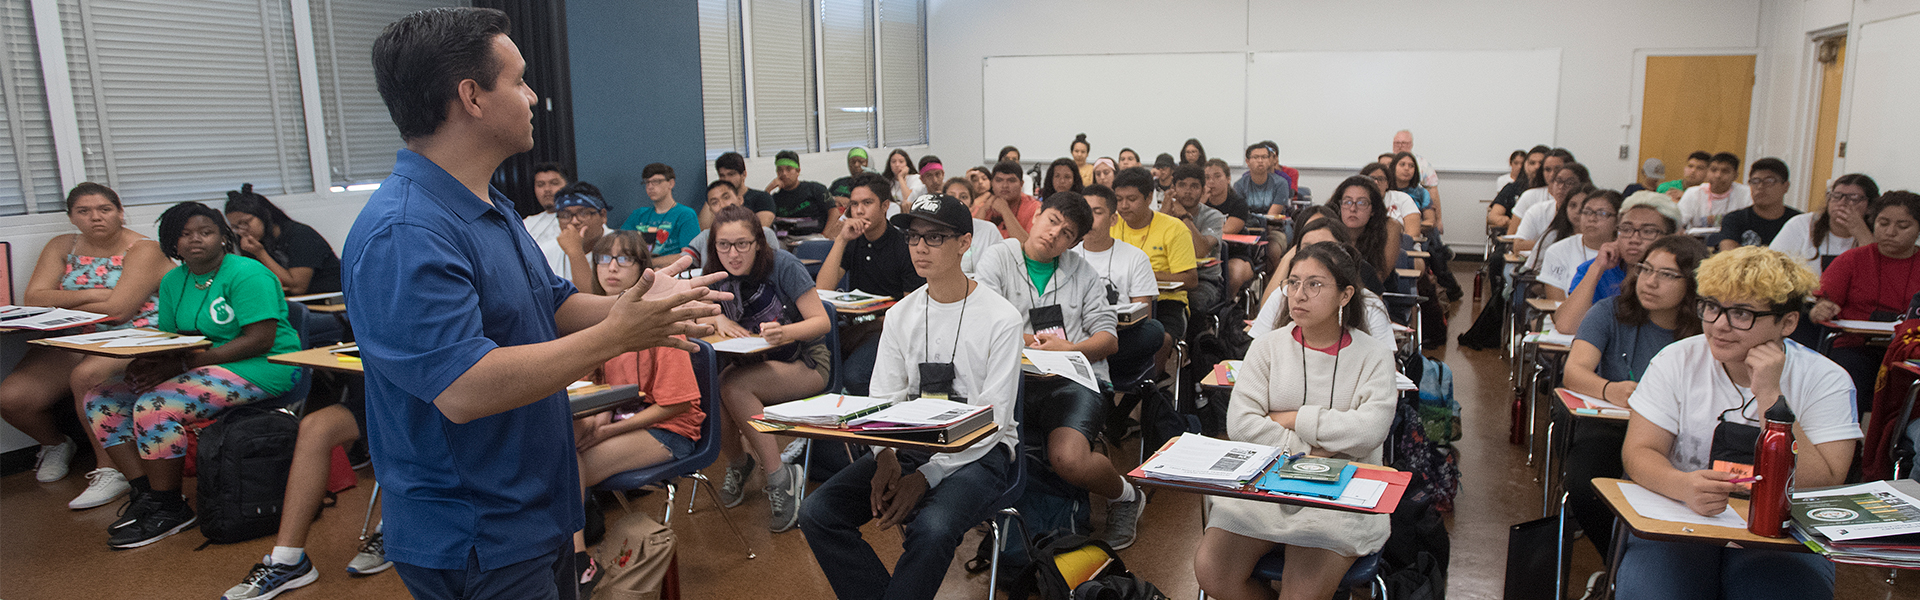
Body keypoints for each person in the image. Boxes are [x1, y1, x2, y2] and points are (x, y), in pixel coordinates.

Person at [346, 9, 731, 597]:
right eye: (519, 80)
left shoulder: (488, 203)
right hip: (476, 525)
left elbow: (553, 305)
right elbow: (465, 387)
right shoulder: (406, 231)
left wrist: (649, 300)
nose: (532, 95)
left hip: (536, 502)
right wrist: (618, 335)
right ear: (471, 96)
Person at [797, 193, 1023, 600]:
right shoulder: (903, 312)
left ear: (964, 243)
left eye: (934, 238)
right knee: (818, 512)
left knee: (933, 528)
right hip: (908, 443)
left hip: (980, 453)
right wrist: (883, 456)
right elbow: (883, 397)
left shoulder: (1001, 318)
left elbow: (993, 419)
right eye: (913, 237)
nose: (920, 247)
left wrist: (925, 476)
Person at [1616, 246, 1857, 600]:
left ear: (1787, 322)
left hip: (1781, 533)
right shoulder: (1677, 360)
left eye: (1741, 313)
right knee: (1657, 591)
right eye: (1711, 307)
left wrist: (1770, 396)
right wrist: (1681, 484)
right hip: (1682, 519)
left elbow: (1824, 480)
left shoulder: (1826, 379)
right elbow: (1639, 451)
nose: (1719, 325)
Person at [84, 201, 302, 549]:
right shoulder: (173, 280)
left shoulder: (248, 273)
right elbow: (173, 341)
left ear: (222, 236)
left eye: (206, 231)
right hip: (204, 365)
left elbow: (260, 339)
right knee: (101, 399)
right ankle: (148, 495)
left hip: (268, 365)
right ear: (171, 241)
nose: (195, 240)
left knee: (156, 405)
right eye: (185, 234)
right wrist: (146, 365)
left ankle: (172, 508)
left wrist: (184, 366)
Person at [1193, 241, 1398, 600]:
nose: (1299, 295)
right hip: (1266, 486)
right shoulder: (1267, 346)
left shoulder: (1374, 355)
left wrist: (1293, 418)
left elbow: (1369, 430)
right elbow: (1242, 424)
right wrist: (1312, 450)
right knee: (1212, 571)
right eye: (1293, 283)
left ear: (1345, 294)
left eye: (1314, 284)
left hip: (1338, 495)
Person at [973, 191, 1147, 549]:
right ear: (1036, 215)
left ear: (1075, 242)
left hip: (1074, 379)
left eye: (1066, 233)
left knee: (1068, 459)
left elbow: (1107, 338)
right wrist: (1025, 340)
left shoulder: (1083, 272)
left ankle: (1127, 495)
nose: (1054, 234)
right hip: (1012, 379)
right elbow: (982, 321)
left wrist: (1072, 347)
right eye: (1052, 221)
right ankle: (1001, 510)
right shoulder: (999, 258)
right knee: (979, 443)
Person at [0, 182, 164, 509]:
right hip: (74, 336)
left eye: (104, 210)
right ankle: (56, 444)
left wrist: (65, 303)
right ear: (72, 217)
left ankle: (110, 469)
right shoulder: (63, 245)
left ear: (120, 212)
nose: (95, 218)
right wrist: (95, 295)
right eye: (84, 212)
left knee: (86, 377)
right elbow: (35, 298)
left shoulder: (145, 249)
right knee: (12, 398)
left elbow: (119, 310)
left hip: (132, 334)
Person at [566, 229, 707, 589]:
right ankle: (566, 552)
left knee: (566, 465)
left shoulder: (659, 321)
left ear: (643, 269)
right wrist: (596, 417)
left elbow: (676, 404)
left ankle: (577, 562)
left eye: (624, 259)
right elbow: (593, 385)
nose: (611, 268)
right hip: (620, 418)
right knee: (558, 444)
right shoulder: (598, 320)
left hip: (670, 429)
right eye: (604, 259)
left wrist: (607, 428)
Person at [1558, 234, 1708, 561]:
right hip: (1613, 424)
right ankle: (1616, 565)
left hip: (1683, 435)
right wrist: (1610, 389)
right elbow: (1574, 371)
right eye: (1645, 269)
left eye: (1667, 275)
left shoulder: (1707, 328)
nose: (1650, 282)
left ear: (1693, 283)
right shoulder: (1609, 311)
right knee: (1586, 487)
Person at [697, 206, 835, 532]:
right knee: (714, 387)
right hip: (751, 365)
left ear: (758, 242)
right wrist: (716, 317)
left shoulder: (783, 265)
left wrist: (783, 332)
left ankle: (780, 476)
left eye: (742, 244)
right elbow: (696, 312)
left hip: (806, 362)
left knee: (733, 387)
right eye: (724, 245)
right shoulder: (714, 272)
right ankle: (739, 463)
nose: (733, 254)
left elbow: (822, 321)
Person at [815, 173, 927, 396]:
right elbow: (822, 289)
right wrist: (841, 239)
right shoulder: (853, 240)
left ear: (885, 206)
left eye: (867, 203)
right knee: (815, 360)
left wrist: (873, 324)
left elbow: (910, 307)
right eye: (854, 204)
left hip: (888, 328)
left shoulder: (903, 244)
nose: (858, 211)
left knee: (855, 377)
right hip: (854, 324)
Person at [1809, 191, 1920, 413]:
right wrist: (1822, 309)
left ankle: (1895, 444)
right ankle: (1848, 442)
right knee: (1849, 373)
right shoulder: (1851, 260)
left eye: (1903, 226)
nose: (1890, 232)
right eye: (1883, 223)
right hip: (1854, 344)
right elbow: (1817, 308)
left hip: (1907, 349)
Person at [1074, 183, 1169, 387]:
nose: (1089, 220)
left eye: (1097, 212)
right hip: (1078, 333)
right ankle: (1089, 357)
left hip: (1119, 338)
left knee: (1154, 330)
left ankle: (1087, 357)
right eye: (1084, 213)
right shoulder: (1066, 257)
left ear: (1113, 219)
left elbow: (1144, 315)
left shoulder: (1135, 258)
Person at [1250, 217, 1394, 348]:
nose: (1299, 295)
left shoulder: (1370, 307)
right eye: (1307, 248)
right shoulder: (1283, 295)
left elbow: (1387, 370)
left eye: (1314, 284)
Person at [1554, 191, 1682, 334]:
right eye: (1626, 229)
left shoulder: (1680, 276)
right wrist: (1597, 268)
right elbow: (1566, 326)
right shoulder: (1596, 268)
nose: (1634, 239)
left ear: (1671, 238)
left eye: (1648, 231)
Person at [1112, 167, 1199, 340]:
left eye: (1131, 199)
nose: (1123, 206)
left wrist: (1145, 276)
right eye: (1118, 199)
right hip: (1118, 297)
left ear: (1149, 197)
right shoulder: (1111, 223)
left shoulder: (1174, 228)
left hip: (1166, 301)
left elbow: (1190, 279)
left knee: (1160, 337)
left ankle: (1155, 369)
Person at [224, 184, 342, 297]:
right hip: (291, 301)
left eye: (245, 222)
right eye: (235, 227)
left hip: (328, 300)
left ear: (264, 215)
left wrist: (260, 253)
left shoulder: (300, 235)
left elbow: (298, 287)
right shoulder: (253, 242)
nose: (242, 230)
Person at [1770, 173, 1879, 277]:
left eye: (1853, 197)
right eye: (1836, 196)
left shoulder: (1879, 231)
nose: (1842, 202)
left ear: (1870, 206)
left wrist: (1861, 233)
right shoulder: (1801, 224)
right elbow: (1771, 266)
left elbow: (1877, 272)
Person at [1163, 164, 1226, 315]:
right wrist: (1164, 215)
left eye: (1194, 186)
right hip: (1169, 277)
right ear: (1173, 189)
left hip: (1205, 279)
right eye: (1182, 185)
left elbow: (1200, 251)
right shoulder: (1163, 215)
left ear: (1203, 190)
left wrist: (1184, 217)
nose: (1187, 191)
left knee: (1192, 305)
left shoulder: (1213, 216)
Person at [1327, 175, 1404, 289]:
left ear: (1373, 209)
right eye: (1347, 202)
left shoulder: (1389, 228)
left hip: (1374, 297)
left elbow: (1377, 279)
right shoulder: (1328, 227)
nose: (1353, 209)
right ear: (1339, 206)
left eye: (1362, 203)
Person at [681, 180, 781, 267]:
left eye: (726, 197)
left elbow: (776, 270)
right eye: (715, 202)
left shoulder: (764, 234)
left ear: (740, 199)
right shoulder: (704, 238)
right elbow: (683, 262)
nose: (722, 205)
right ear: (710, 210)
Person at [1537, 186, 1612, 298]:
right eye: (1587, 212)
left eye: (1602, 214)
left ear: (1618, 221)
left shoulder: (1626, 253)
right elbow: (1558, 308)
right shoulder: (1557, 251)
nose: (1592, 218)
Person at [620, 163, 702, 266]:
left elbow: (689, 256)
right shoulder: (638, 214)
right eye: (647, 182)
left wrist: (647, 263)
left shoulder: (685, 214)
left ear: (671, 183)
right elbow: (619, 244)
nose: (650, 187)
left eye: (656, 182)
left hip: (672, 274)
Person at [1716, 158, 1801, 251]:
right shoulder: (1734, 219)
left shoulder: (1799, 222)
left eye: (1769, 181)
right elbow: (1728, 257)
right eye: (1755, 181)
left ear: (1786, 186)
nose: (1760, 187)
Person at [1202, 158, 1255, 295]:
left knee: (1233, 275)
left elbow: (1227, 230)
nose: (1211, 182)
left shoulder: (1238, 203)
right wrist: (1200, 203)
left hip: (1235, 254)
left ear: (1228, 178)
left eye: (1217, 176)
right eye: (1207, 178)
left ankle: (1228, 309)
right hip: (1204, 255)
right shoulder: (1200, 203)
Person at [1514, 160, 1591, 252]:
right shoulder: (1538, 210)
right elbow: (1518, 245)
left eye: (1569, 183)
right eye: (1558, 181)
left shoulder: (1589, 215)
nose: (1561, 187)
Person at [551, 183, 612, 290]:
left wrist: (575, 251)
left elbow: (591, 300)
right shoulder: (546, 252)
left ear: (603, 215)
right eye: (565, 215)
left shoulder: (622, 245)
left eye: (583, 213)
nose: (574, 221)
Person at [769, 149, 842, 238]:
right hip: (784, 240)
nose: (784, 174)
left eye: (789, 169)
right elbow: (762, 219)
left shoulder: (816, 189)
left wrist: (825, 236)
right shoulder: (774, 198)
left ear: (798, 171)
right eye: (780, 170)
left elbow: (834, 212)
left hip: (813, 237)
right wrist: (768, 189)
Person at [942, 176, 1004, 275]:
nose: (957, 201)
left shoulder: (988, 230)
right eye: (951, 197)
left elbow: (1001, 266)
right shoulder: (934, 231)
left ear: (972, 205)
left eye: (963, 197)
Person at [1676, 152, 1751, 229]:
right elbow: (1678, 222)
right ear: (1707, 172)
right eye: (1713, 170)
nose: (1718, 175)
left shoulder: (1746, 194)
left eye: (1725, 171)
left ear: (1735, 175)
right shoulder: (1693, 193)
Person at [1510, 148, 1575, 231]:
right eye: (1547, 170)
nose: (1552, 174)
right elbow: (1512, 235)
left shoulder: (1579, 197)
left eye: (1558, 169)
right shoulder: (1529, 196)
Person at [522, 162, 571, 271]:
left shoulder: (577, 220)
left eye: (554, 183)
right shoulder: (526, 223)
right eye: (540, 184)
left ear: (567, 185)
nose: (547, 189)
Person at [975, 160, 1039, 242]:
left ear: (1021, 184)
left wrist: (1005, 211)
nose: (1004, 185)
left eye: (1011, 180)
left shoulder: (1034, 207)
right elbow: (972, 241)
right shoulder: (985, 204)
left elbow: (1027, 245)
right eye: (999, 180)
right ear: (992, 184)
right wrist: (983, 210)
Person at [709, 152, 777, 228]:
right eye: (722, 175)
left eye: (731, 174)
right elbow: (703, 229)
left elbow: (760, 229)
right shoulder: (718, 202)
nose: (726, 179)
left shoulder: (762, 197)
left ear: (744, 174)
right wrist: (712, 195)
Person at [1488, 145, 1549, 230]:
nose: (1537, 167)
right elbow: (1494, 216)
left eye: (1541, 163)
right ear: (1526, 166)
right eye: (1532, 163)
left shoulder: (1555, 191)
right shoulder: (1511, 188)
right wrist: (1510, 222)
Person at [1360, 162, 1423, 238]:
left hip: (1402, 246)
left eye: (1381, 179)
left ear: (1387, 183)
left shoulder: (1402, 198)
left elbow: (1413, 232)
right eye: (1371, 178)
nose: (1376, 182)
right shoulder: (1357, 200)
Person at [1236, 142, 1294, 220]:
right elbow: (1240, 213)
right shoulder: (1239, 185)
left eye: (1264, 157)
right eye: (1256, 157)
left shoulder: (1281, 183)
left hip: (1274, 225)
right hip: (1247, 225)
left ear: (1269, 160)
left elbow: (1272, 215)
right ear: (1247, 161)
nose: (1260, 161)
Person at [1390, 130, 1440, 207]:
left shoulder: (1423, 164)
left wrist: (1438, 218)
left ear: (1411, 145)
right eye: (1397, 143)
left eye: (1403, 143)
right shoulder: (1386, 161)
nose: (1400, 146)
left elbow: (1433, 191)